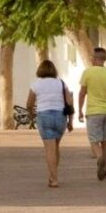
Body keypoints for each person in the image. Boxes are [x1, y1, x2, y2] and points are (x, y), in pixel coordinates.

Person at [78, 46, 106, 181]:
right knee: (105, 142)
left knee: (93, 140)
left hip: (94, 111)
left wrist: (79, 109)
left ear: (96, 59)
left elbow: (82, 93)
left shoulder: (87, 73)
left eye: (92, 57)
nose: (91, 59)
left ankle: (99, 158)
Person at [30, 59, 70, 188]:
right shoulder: (61, 83)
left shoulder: (36, 84)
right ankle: (52, 175)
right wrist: (71, 121)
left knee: (49, 149)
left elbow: (29, 103)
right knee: (55, 147)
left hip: (44, 115)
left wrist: (31, 113)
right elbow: (69, 102)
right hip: (60, 116)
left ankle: (54, 178)